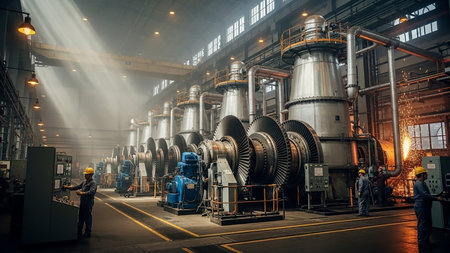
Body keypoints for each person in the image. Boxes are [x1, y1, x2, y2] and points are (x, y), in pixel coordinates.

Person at [63, 167, 97, 238]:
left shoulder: (93, 183)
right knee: (81, 216)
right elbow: (77, 187)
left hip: (88, 202)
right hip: (83, 201)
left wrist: (82, 193)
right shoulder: (84, 182)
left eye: (86, 174)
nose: (85, 175)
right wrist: (68, 187)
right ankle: (79, 230)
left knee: (87, 217)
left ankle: (88, 232)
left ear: (90, 175)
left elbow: (92, 192)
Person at [413, 166, 441, 249]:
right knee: (422, 224)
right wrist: (436, 198)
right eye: (425, 173)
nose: (427, 175)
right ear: (422, 174)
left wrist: (437, 195)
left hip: (424, 206)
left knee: (427, 224)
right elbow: (425, 195)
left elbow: (426, 194)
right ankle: (422, 242)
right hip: (421, 206)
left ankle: (426, 240)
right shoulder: (419, 184)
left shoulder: (422, 183)